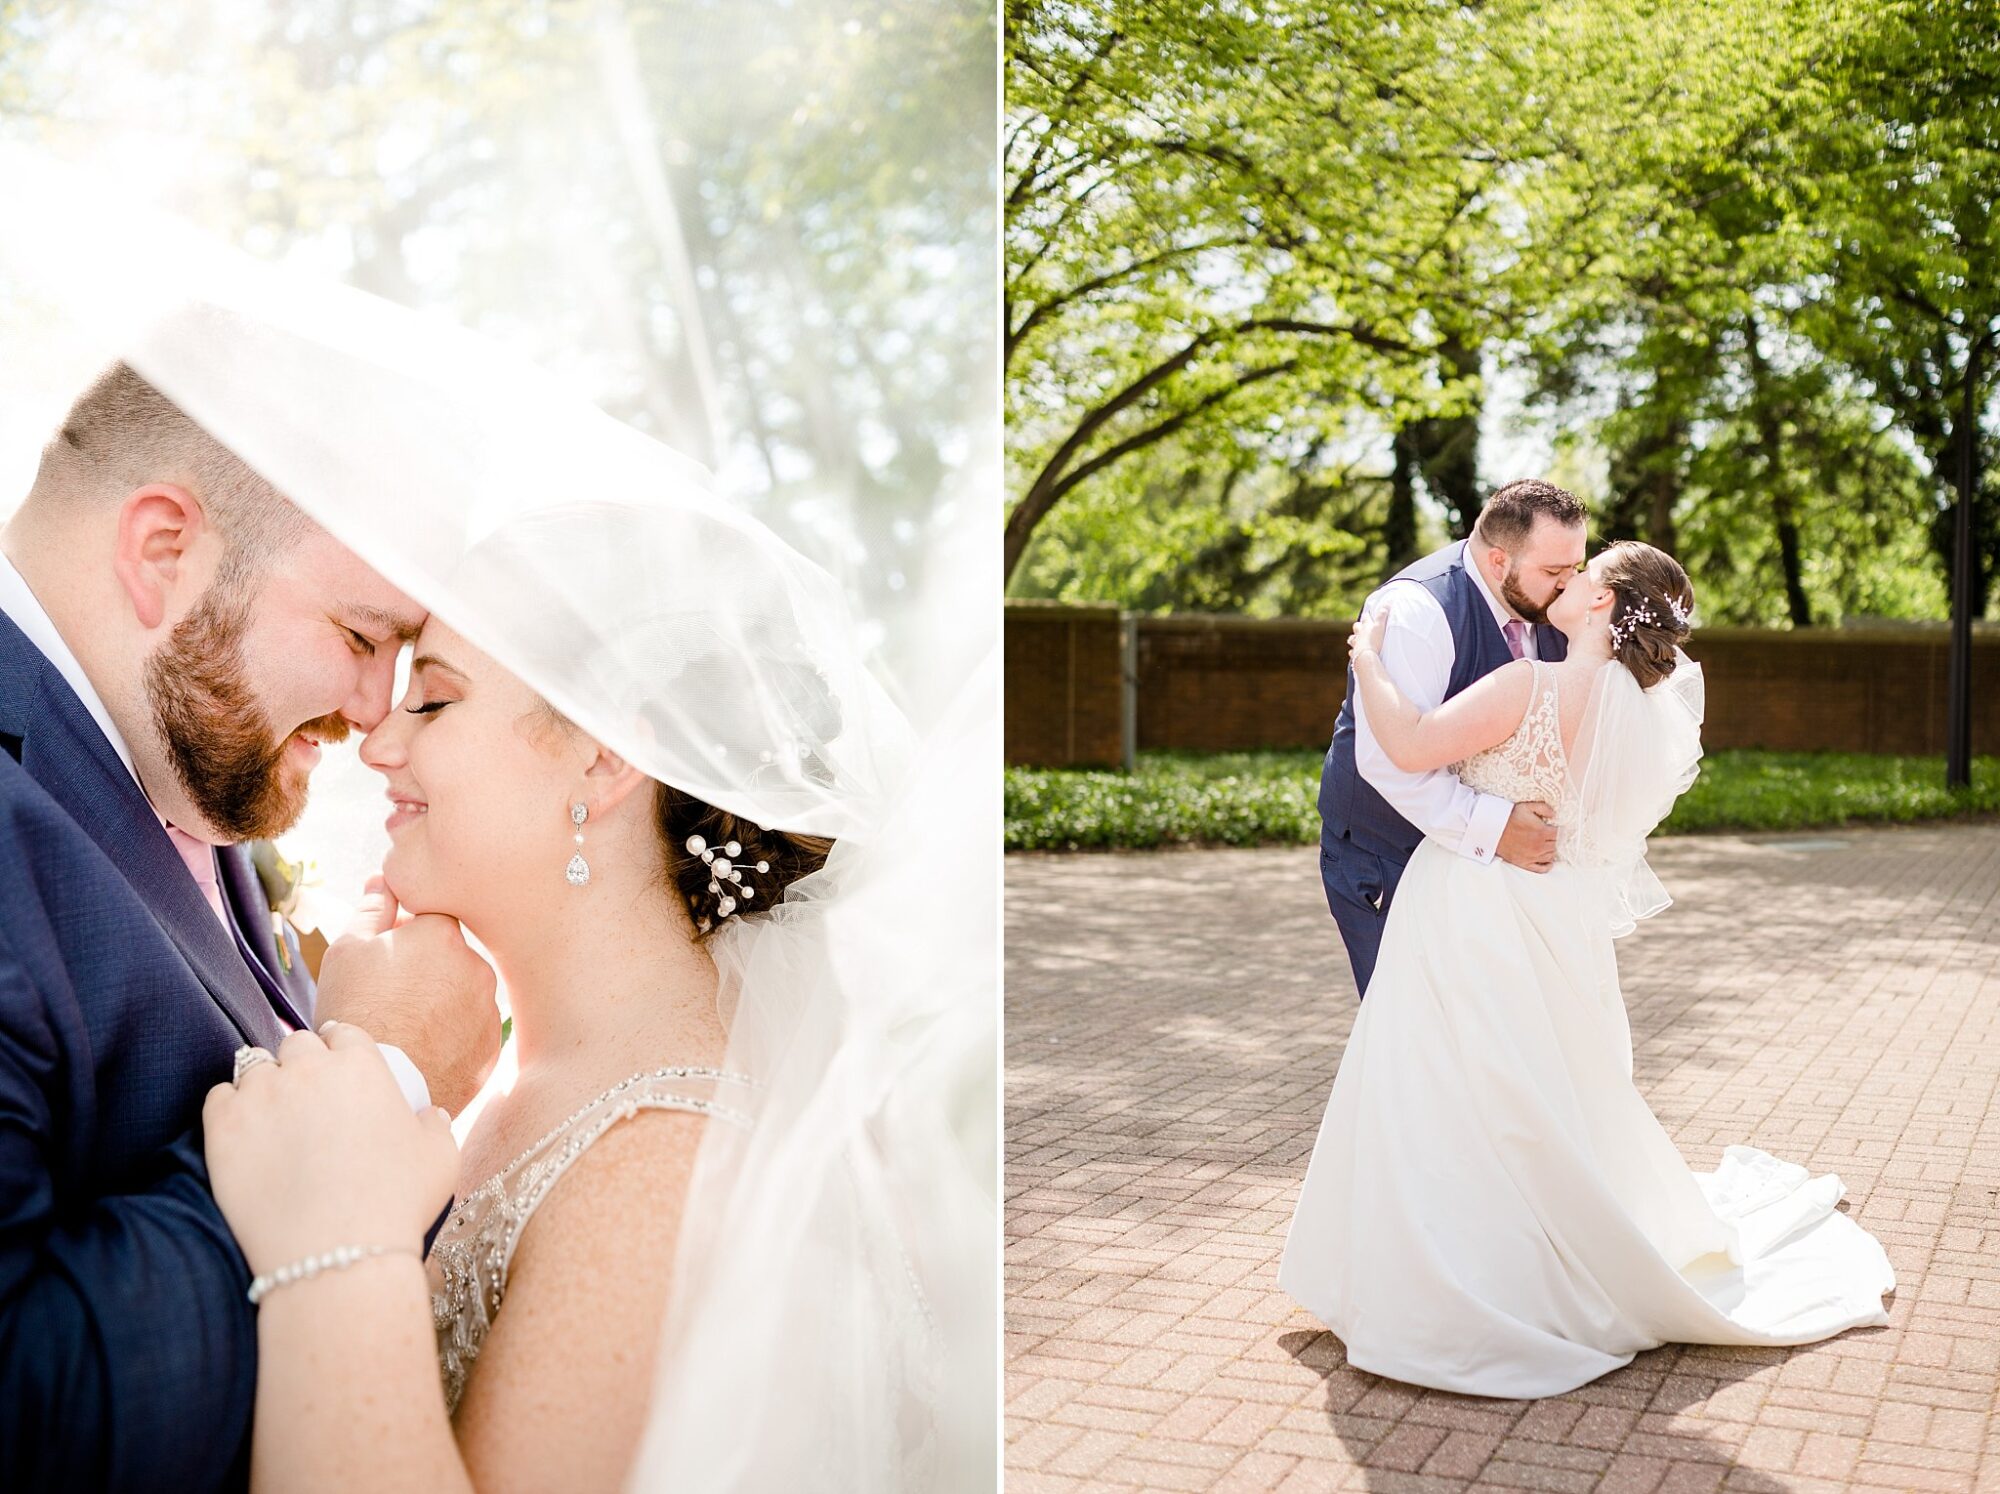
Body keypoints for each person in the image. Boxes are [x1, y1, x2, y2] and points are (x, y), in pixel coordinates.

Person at [0, 362, 504, 1492]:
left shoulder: (178, 771)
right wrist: (378, 1076)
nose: (376, 714)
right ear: (163, 552)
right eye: (361, 635)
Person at [1279, 540, 1895, 1397]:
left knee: (1453, 1084)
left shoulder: (1530, 686)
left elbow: (1412, 744)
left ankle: (1459, 1269)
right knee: (1543, 1087)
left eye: (1583, 575)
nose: (1566, 583)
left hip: (1477, 908)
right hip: (1559, 916)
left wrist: (1368, 658)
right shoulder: (1636, 711)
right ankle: (1522, 1243)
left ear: (1605, 605)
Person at [1315, 480, 1587, 996]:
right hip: (1387, 855)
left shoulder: (1559, 612)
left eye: (1575, 568)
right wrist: (1498, 829)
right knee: (1407, 1025)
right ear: (1498, 560)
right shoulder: (1418, 612)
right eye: (1553, 572)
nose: (1567, 585)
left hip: (1491, 871)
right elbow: (1389, 761)